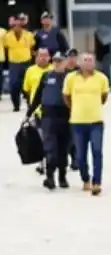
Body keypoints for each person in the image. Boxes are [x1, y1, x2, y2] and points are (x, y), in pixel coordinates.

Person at [62, 52, 109, 195]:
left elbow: (104, 96)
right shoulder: (70, 78)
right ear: (79, 63)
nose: (88, 62)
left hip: (96, 121)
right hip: (77, 122)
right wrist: (75, 108)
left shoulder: (101, 78)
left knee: (97, 151)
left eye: (91, 60)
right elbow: (66, 96)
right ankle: (85, 178)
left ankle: (97, 182)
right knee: (80, 155)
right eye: (85, 60)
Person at [26, 50, 70, 190]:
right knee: (50, 148)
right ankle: (49, 177)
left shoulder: (71, 78)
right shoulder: (46, 76)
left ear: (65, 62)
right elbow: (38, 96)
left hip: (66, 116)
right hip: (48, 116)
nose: (57, 63)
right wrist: (29, 114)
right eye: (55, 61)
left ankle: (62, 176)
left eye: (60, 61)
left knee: (63, 148)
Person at [22, 45, 51, 177]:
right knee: (40, 138)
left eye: (46, 55)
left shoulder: (54, 70)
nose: (43, 58)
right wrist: (30, 109)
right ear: (36, 57)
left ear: (49, 57)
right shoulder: (30, 71)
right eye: (41, 55)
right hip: (37, 111)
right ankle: (42, 163)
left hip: (51, 110)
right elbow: (26, 90)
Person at [2, 14, 33, 112]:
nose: (17, 27)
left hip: (26, 62)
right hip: (14, 63)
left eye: (19, 25)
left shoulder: (28, 35)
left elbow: (32, 47)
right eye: (14, 25)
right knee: (14, 85)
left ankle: (30, 104)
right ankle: (16, 105)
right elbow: (5, 47)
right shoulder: (7, 36)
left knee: (28, 85)